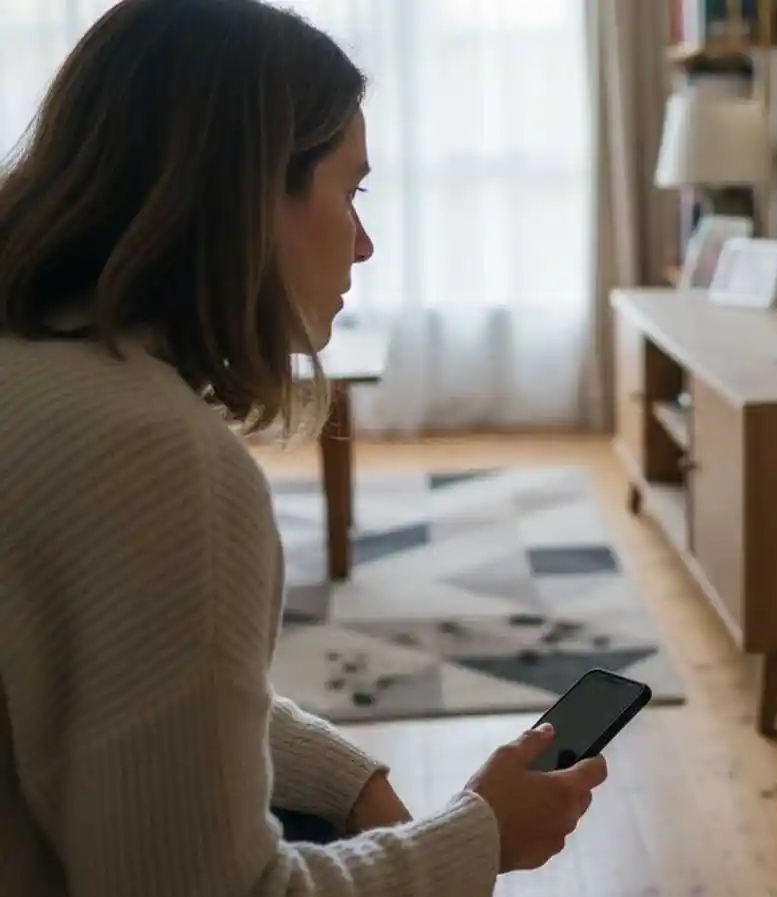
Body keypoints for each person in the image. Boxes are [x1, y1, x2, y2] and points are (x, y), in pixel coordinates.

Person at [0, 1, 608, 895]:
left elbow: (117, 698)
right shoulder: (158, 463)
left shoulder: (31, 374)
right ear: (247, 192)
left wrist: (344, 774)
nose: (365, 243)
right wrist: (478, 836)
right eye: (351, 189)